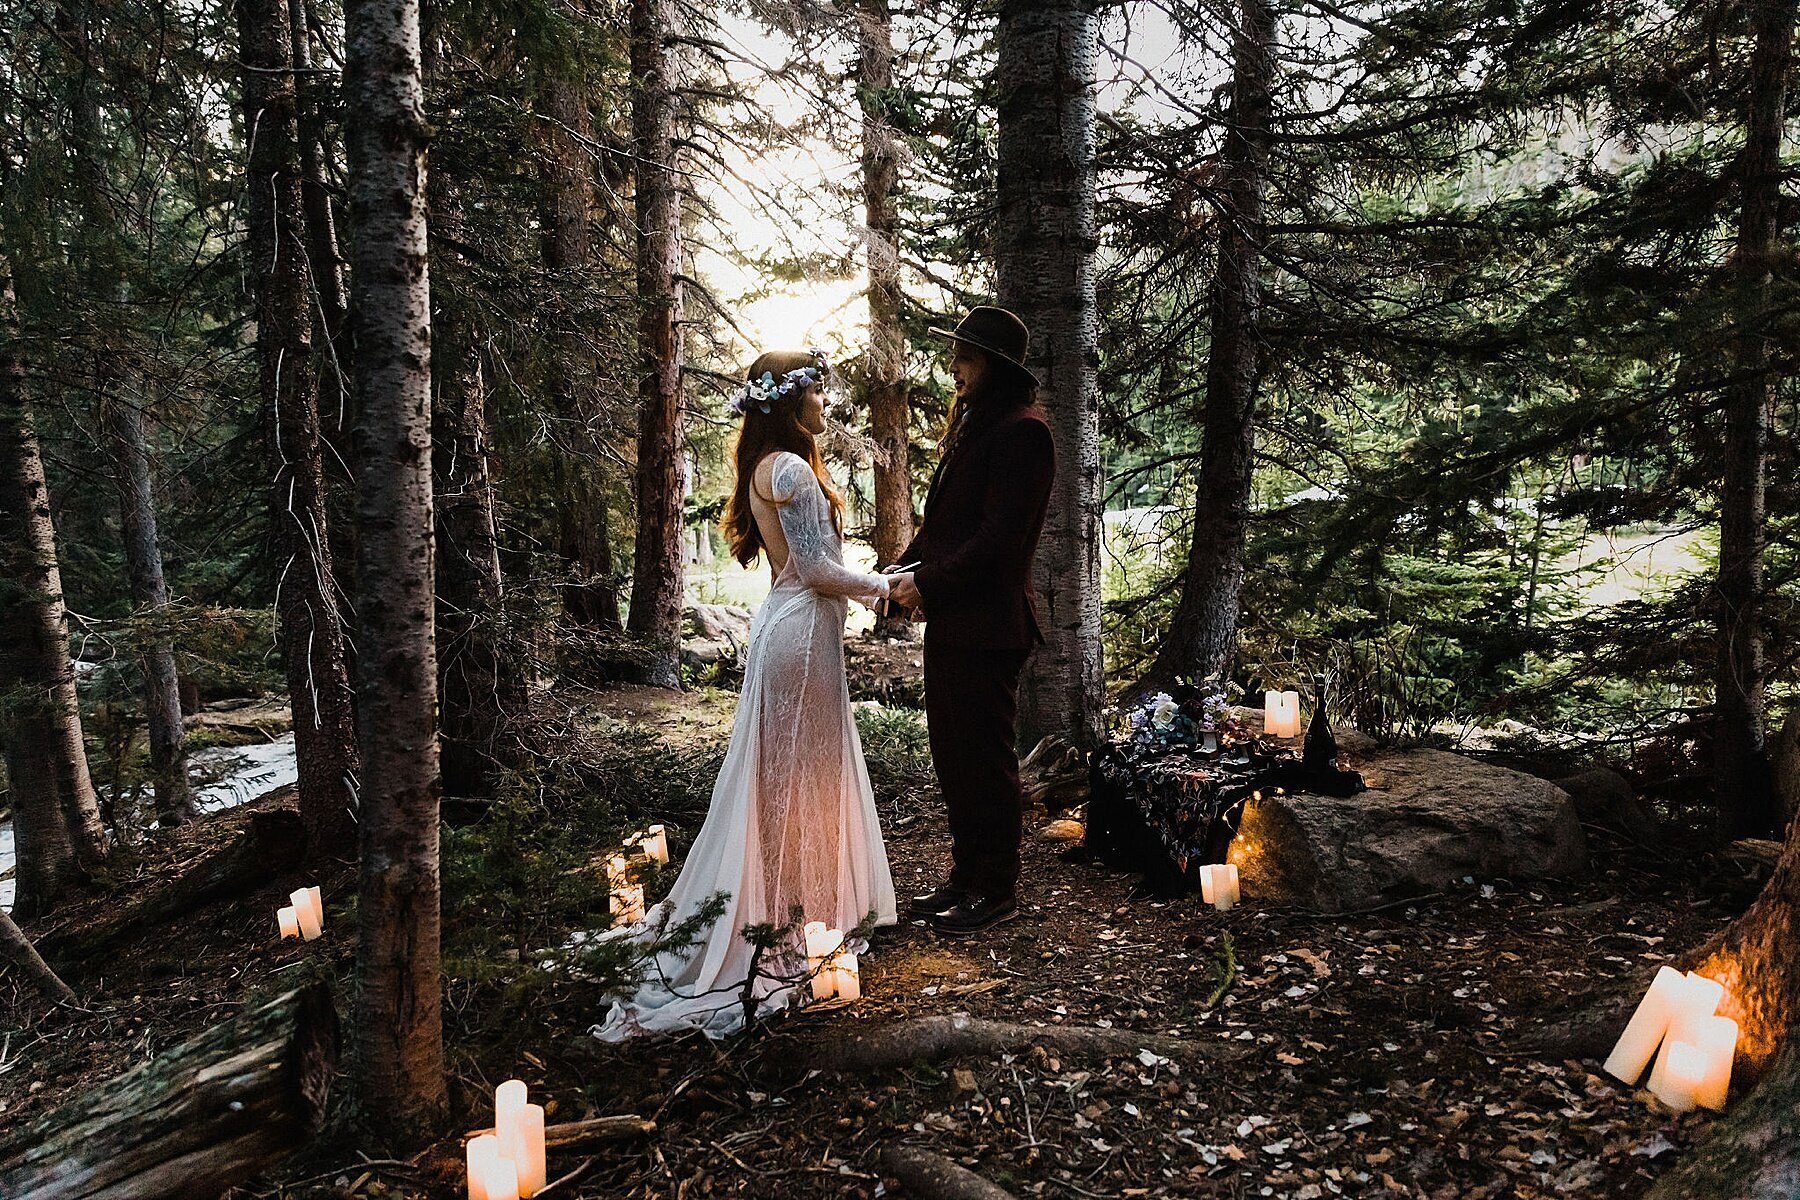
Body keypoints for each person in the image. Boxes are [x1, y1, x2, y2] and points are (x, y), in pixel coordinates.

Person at [592, 348, 898, 1039]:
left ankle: (802, 907)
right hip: (797, 637)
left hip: (793, 633)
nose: (827, 404)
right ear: (790, 403)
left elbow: (808, 567)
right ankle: (790, 920)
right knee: (795, 774)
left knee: (799, 773)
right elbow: (816, 569)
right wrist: (883, 585)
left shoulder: (772, 466)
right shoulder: (788, 468)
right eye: (818, 394)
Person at [885, 307, 1056, 935]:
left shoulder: (1024, 432)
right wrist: (899, 568)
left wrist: (924, 582)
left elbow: (998, 545)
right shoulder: (978, 427)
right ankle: (965, 876)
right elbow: (946, 526)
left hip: (989, 628)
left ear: (996, 369)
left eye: (967, 360)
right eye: (957, 357)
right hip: (956, 625)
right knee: (954, 758)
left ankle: (996, 887)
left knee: (985, 761)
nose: (955, 369)